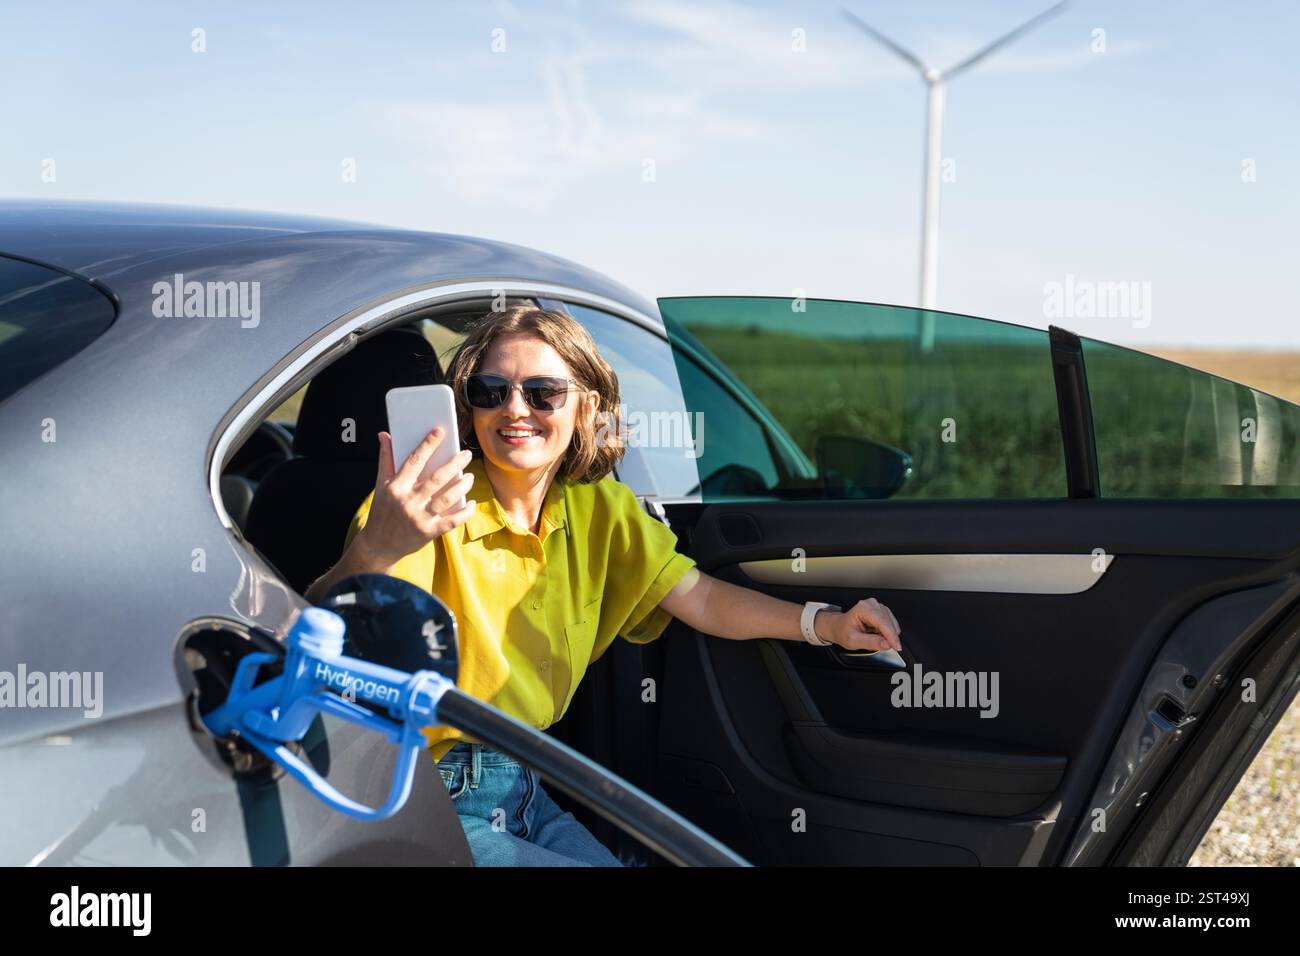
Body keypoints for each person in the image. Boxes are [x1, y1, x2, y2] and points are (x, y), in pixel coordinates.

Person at [304, 305, 902, 866]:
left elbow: (702, 598)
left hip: (527, 782)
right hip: (426, 788)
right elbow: (314, 630)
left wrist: (824, 624)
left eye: (542, 392)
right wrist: (379, 544)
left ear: (587, 408)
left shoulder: (601, 510)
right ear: (468, 407)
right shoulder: (416, 507)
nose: (515, 409)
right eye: (491, 391)